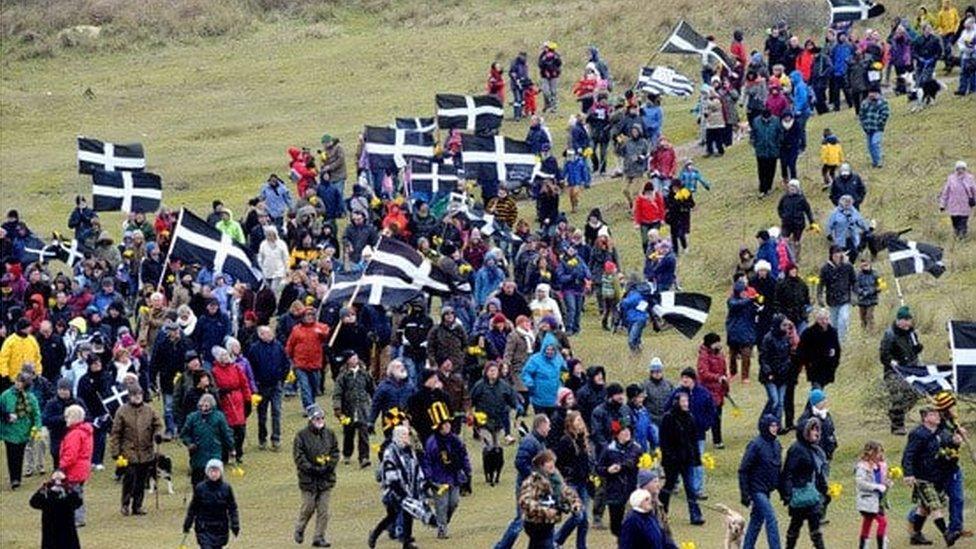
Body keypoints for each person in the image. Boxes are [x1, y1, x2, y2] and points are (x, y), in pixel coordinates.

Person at [903, 406, 961, 546]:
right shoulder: (917, 434)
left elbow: (948, 446)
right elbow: (908, 455)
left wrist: (955, 442)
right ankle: (947, 534)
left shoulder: (941, 431)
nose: (937, 416)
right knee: (935, 506)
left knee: (924, 508)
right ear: (925, 418)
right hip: (923, 476)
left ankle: (915, 535)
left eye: (937, 414)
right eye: (933, 414)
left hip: (937, 476)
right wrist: (908, 474)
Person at [494, 414, 549, 549]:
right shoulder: (530, 442)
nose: (550, 428)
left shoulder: (540, 441)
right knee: (521, 520)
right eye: (548, 425)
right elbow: (520, 463)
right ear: (541, 426)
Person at [369, 424, 427, 549]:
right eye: (404, 436)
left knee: (406, 514)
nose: (407, 438)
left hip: (407, 488)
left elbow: (416, 467)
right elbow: (390, 474)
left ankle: (406, 542)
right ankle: (375, 534)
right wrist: (400, 492)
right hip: (393, 491)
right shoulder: (390, 451)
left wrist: (421, 483)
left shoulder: (409, 450)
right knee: (393, 516)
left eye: (407, 435)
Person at [108, 385, 162, 516]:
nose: (137, 397)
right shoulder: (122, 411)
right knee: (130, 478)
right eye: (134, 394)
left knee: (141, 481)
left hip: (146, 451)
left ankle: (138, 506)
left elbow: (158, 424)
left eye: (139, 394)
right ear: (129, 396)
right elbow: (115, 433)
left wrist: (158, 435)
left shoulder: (149, 410)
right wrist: (115, 451)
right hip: (128, 451)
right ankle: (125, 504)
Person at [293, 404, 339, 547]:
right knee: (308, 507)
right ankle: (300, 528)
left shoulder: (330, 434)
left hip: (326, 479)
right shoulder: (301, 436)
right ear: (311, 419)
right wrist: (311, 468)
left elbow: (335, 452)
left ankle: (319, 537)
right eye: (316, 418)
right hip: (309, 479)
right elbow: (298, 457)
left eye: (322, 418)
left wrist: (329, 466)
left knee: (323, 510)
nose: (320, 420)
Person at [781, 417, 828, 549]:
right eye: (813, 429)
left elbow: (817, 473)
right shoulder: (797, 449)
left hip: (811, 494)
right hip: (799, 494)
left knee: (815, 530)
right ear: (805, 432)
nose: (816, 432)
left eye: (817, 429)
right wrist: (788, 494)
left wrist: (825, 490)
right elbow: (788, 473)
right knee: (795, 527)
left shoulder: (814, 449)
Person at [519, 449, 581, 549]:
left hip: (549, 524)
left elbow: (567, 492)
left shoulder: (556, 480)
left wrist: (574, 503)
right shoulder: (533, 480)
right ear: (541, 465)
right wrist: (545, 511)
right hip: (535, 524)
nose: (552, 464)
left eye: (552, 461)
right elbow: (525, 502)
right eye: (548, 462)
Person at [659, 391, 704, 525]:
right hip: (672, 461)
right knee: (668, 486)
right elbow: (664, 441)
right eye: (683, 401)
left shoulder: (690, 417)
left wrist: (696, 458)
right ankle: (662, 512)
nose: (686, 404)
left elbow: (693, 439)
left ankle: (695, 515)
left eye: (687, 401)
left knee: (690, 488)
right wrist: (670, 456)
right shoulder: (668, 418)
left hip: (686, 460)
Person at [739, 414, 782, 549]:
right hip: (756, 489)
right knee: (771, 519)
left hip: (767, 489)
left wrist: (783, 491)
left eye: (776, 425)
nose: (775, 428)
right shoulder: (755, 445)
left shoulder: (776, 444)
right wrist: (745, 493)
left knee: (756, 521)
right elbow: (743, 470)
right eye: (772, 426)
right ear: (765, 427)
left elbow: (777, 469)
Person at [422, 418, 471, 539]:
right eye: (445, 424)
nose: (448, 426)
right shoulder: (432, 442)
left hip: (454, 476)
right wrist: (428, 477)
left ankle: (443, 520)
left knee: (454, 502)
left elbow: (463, 454)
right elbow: (427, 460)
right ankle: (442, 528)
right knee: (441, 504)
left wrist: (467, 469)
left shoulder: (455, 440)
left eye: (449, 423)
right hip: (438, 478)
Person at [879, 306, 924, 435]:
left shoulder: (911, 333)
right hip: (893, 371)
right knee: (898, 395)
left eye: (909, 321)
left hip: (910, 369)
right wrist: (892, 362)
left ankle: (895, 413)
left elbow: (914, 351)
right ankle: (897, 426)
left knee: (915, 394)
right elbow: (884, 356)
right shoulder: (889, 335)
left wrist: (917, 347)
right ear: (898, 320)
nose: (907, 324)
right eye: (904, 321)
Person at [245, 325, 289, 451]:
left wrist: (282, 377)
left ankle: (276, 439)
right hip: (262, 387)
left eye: (270, 333)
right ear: (260, 335)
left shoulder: (278, 346)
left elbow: (285, 362)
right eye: (266, 333)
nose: (270, 335)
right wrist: (255, 384)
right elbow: (251, 369)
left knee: (276, 412)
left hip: (276, 385)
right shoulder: (254, 349)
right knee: (262, 414)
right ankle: (262, 439)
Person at [553, 410, 592, 549]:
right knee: (578, 515)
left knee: (585, 519)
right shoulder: (566, 441)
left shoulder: (583, 440)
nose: (581, 423)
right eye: (577, 421)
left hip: (583, 482)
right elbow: (556, 461)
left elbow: (586, 461)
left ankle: (581, 546)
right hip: (571, 482)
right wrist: (566, 473)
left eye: (581, 420)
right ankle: (557, 540)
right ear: (570, 424)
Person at [183, 459, 240, 549]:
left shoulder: (226, 488)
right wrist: (188, 523)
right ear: (207, 472)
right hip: (204, 527)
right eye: (211, 471)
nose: (214, 474)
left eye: (216, 471)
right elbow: (193, 508)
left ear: (220, 472)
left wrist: (235, 523)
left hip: (220, 528)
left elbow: (232, 508)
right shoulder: (200, 488)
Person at [597, 422, 642, 536]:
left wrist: (620, 466)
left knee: (632, 524)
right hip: (614, 491)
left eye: (628, 430)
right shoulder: (608, 449)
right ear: (617, 434)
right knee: (615, 527)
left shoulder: (636, 448)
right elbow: (598, 468)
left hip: (631, 491)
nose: (627, 433)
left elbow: (631, 462)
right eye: (623, 430)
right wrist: (608, 470)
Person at [181, 394, 234, 486]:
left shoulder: (219, 417)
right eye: (202, 405)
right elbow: (184, 434)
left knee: (214, 483)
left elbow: (226, 434)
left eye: (206, 405)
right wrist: (189, 443)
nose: (204, 408)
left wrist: (231, 448)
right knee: (197, 484)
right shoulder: (192, 417)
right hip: (197, 456)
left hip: (214, 455)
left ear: (212, 405)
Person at [332, 351, 374, 468]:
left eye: (356, 356)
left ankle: (364, 457)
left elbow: (372, 389)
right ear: (347, 361)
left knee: (363, 434)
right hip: (348, 410)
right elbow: (337, 394)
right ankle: (347, 453)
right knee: (348, 433)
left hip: (363, 409)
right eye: (352, 357)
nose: (355, 359)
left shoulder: (364, 374)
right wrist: (337, 408)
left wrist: (374, 404)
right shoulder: (343, 376)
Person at [0, 371, 41, 489]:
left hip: (24, 431)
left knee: (20, 454)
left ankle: (17, 477)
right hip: (9, 431)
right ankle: (14, 479)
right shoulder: (5, 395)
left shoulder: (31, 397)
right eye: (17, 381)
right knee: (11, 454)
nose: (18, 384)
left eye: (21, 382)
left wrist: (37, 427)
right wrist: (7, 416)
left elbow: (36, 413)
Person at [210, 346, 250, 464]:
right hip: (225, 401)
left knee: (241, 430)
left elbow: (244, 383)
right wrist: (220, 393)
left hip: (238, 400)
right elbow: (214, 388)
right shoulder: (214, 371)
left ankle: (239, 452)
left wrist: (247, 399)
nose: (225, 357)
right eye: (222, 356)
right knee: (228, 431)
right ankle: (226, 453)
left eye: (226, 355)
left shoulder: (236, 368)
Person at [285, 307, 330, 410]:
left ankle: (312, 403)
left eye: (311, 315)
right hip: (300, 364)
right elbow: (290, 344)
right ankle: (309, 408)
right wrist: (288, 357)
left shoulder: (320, 327)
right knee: (305, 388)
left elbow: (327, 336)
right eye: (307, 315)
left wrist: (323, 333)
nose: (309, 317)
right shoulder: (296, 329)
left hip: (315, 363)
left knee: (314, 387)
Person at [57, 404, 92, 527]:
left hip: (75, 469)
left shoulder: (75, 434)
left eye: (68, 417)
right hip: (82, 468)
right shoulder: (84, 431)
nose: (66, 419)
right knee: (76, 493)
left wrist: (61, 467)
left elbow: (70, 454)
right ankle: (75, 517)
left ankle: (77, 518)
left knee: (74, 494)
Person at [29, 470, 82, 549]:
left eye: (61, 480)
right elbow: (33, 502)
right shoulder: (46, 495)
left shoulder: (68, 494)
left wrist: (68, 489)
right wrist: (42, 490)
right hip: (51, 533)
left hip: (67, 532)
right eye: (55, 480)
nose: (58, 483)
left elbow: (78, 502)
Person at [854, 440, 891, 549]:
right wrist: (875, 487)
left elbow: (882, 480)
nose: (881, 455)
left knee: (867, 522)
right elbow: (860, 483)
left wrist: (887, 483)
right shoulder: (863, 467)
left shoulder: (881, 466)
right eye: (879, 452)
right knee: (882, 522)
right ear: (872, 453)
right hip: (868, 500)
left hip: (879, 500)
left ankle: (863, 545)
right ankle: (881, 545)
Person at [817, 245, 856, 340]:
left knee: (843, 319)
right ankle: (835, 340)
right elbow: (821, 284)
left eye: (839, 253)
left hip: (845, 298)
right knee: (834, 324)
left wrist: (855, 294)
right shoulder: (825, 269)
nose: (837, 255)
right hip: (832, 300)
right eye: (835, 253)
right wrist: (820, 296)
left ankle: (841, 340)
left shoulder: (848, 266)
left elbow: (854, 281)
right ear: (831, 255)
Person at [696, 332, 728, 448]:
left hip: (718, 390)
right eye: (716, 342)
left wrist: (725, 386)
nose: (719, 344)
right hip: (708, 391)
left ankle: (717, 440)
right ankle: (705, 438)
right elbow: (703, 374)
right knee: (711, 417)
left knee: (717, 417)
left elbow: (724, 370)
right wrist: (717, 377)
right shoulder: (703, 356)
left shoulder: (720, 355)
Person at [759, 314, 791, 425]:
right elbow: (763, 358)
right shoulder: (768, 338)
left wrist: (788, 367)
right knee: (774, 400)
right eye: (784, 325)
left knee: (780, 402)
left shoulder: (786, 338)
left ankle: (777, 424)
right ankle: (764, 420)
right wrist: (768, 372)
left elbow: (788, 355)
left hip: (783, 374)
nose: (787, 327)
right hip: (771, 375)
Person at [798, 310, 841, 389]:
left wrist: (835, 363)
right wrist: (807, 363)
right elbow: (801, 349)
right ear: (816, 320)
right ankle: (813, 401)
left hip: (828, 367)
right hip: (814, 367)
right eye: (821, 319)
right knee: (817, 390)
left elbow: (837, 349)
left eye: (826, 319)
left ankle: (811, 402)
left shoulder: (833, 332)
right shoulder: (809, 333)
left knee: (819, 391)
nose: (824, 322)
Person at [726, 281, 759, 382]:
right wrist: (750, 299)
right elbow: (737, 305)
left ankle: (745, 376)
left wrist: (757, 305)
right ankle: (733, 372)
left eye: (745, 291)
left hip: (747, 331)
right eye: (742, 291)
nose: (744, 293)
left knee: (746, 354)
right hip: (734, 332)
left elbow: (755, 312)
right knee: (733, 355)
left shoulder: (749, 302)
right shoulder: (732, 301)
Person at [939, 160, 976, 238]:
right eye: (958, 168)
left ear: (965, 169)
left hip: (965, 205)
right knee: (955, 222)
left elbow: (974, 190)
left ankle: (962, 237)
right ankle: (957, 235)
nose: (960, 170)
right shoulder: (951, 178)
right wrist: (942, 204)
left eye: (962, 168)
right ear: (956, 169)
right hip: (953, 205)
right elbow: (946, 192)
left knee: (963, 222)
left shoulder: (970, 178)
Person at [750, 108, 782, 198]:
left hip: (773, 150)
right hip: (761, 150)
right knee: (761, 170)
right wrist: (754, 143)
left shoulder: (776, 121)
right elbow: (753, 134)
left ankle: (768, 186)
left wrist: (778, 145)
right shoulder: (756, 121)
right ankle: (762, 188)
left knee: (771, 169)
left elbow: (780, 134)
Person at [858, 88, 890, 168]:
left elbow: (885, 114)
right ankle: (874, 161)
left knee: (875, 143)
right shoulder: (865, 103)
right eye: (870, 92)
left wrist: (880, 123)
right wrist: (864, 125)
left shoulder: (883, 102)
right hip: (868, 128)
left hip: (878, 128)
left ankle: (879, 162)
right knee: (870, 145)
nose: (872, 95)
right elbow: (861, 115)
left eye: (874, 93)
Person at [854, 258, 880, 332]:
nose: (864, 267)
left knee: (869, 316)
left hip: (872, 299)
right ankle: (864, 332)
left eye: (866, 265)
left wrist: (873, 290)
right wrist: (862, 292)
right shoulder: (858, 275)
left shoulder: (875, 274)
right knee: (862, 318)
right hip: (862, 299)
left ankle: (872, 331)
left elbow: (881, 285)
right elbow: (855, 287)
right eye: (862, 266)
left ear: (870, 264)